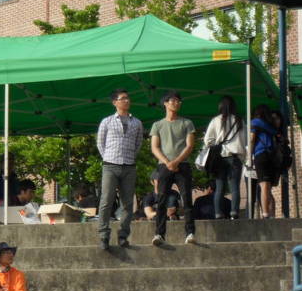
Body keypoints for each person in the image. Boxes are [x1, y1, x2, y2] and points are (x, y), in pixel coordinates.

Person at [96, 88, 143, 250]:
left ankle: (123, 235)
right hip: (110, 165)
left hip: (129, 166)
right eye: (123, 98)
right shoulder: (107, 121)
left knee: (128, 203)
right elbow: (100, 143)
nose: (126, 101)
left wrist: (130, 157)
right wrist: (108, 158)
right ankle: (104, 236)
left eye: (128, 98)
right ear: (115, 102)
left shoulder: (137, 122)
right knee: (106, 201)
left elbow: (138, 143)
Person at [150, 90, 196, 246]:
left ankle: (190, 233)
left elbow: (190, 146)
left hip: (183, 165)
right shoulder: (157, 125)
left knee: (187, 199)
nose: (176, 103)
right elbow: (155, 147)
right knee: (161, 200)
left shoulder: (187, 123)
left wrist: (176, 161)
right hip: (164, 166)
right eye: (173, 100)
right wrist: (167, 162)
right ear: (165, 103)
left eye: (178, 101)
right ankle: (159, 234)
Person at [203, 95, 246, 219]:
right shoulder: (239, 120)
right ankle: (234, 212)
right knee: (234, 187)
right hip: (235, 157)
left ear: (220, 106)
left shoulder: (216, 120)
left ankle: (218, 213)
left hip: (219, 158)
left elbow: (207, 140)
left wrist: (216, 145)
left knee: (219, 187)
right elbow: (244, 140)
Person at [250, 104, 278, 218]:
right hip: (272, 157)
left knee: (264, 185)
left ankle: (265, 214)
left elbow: (252, 139)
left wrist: (249, 156)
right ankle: (272, 214)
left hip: (260, 155)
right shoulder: (271, 125)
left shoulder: (255, 122)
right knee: (268, 187)